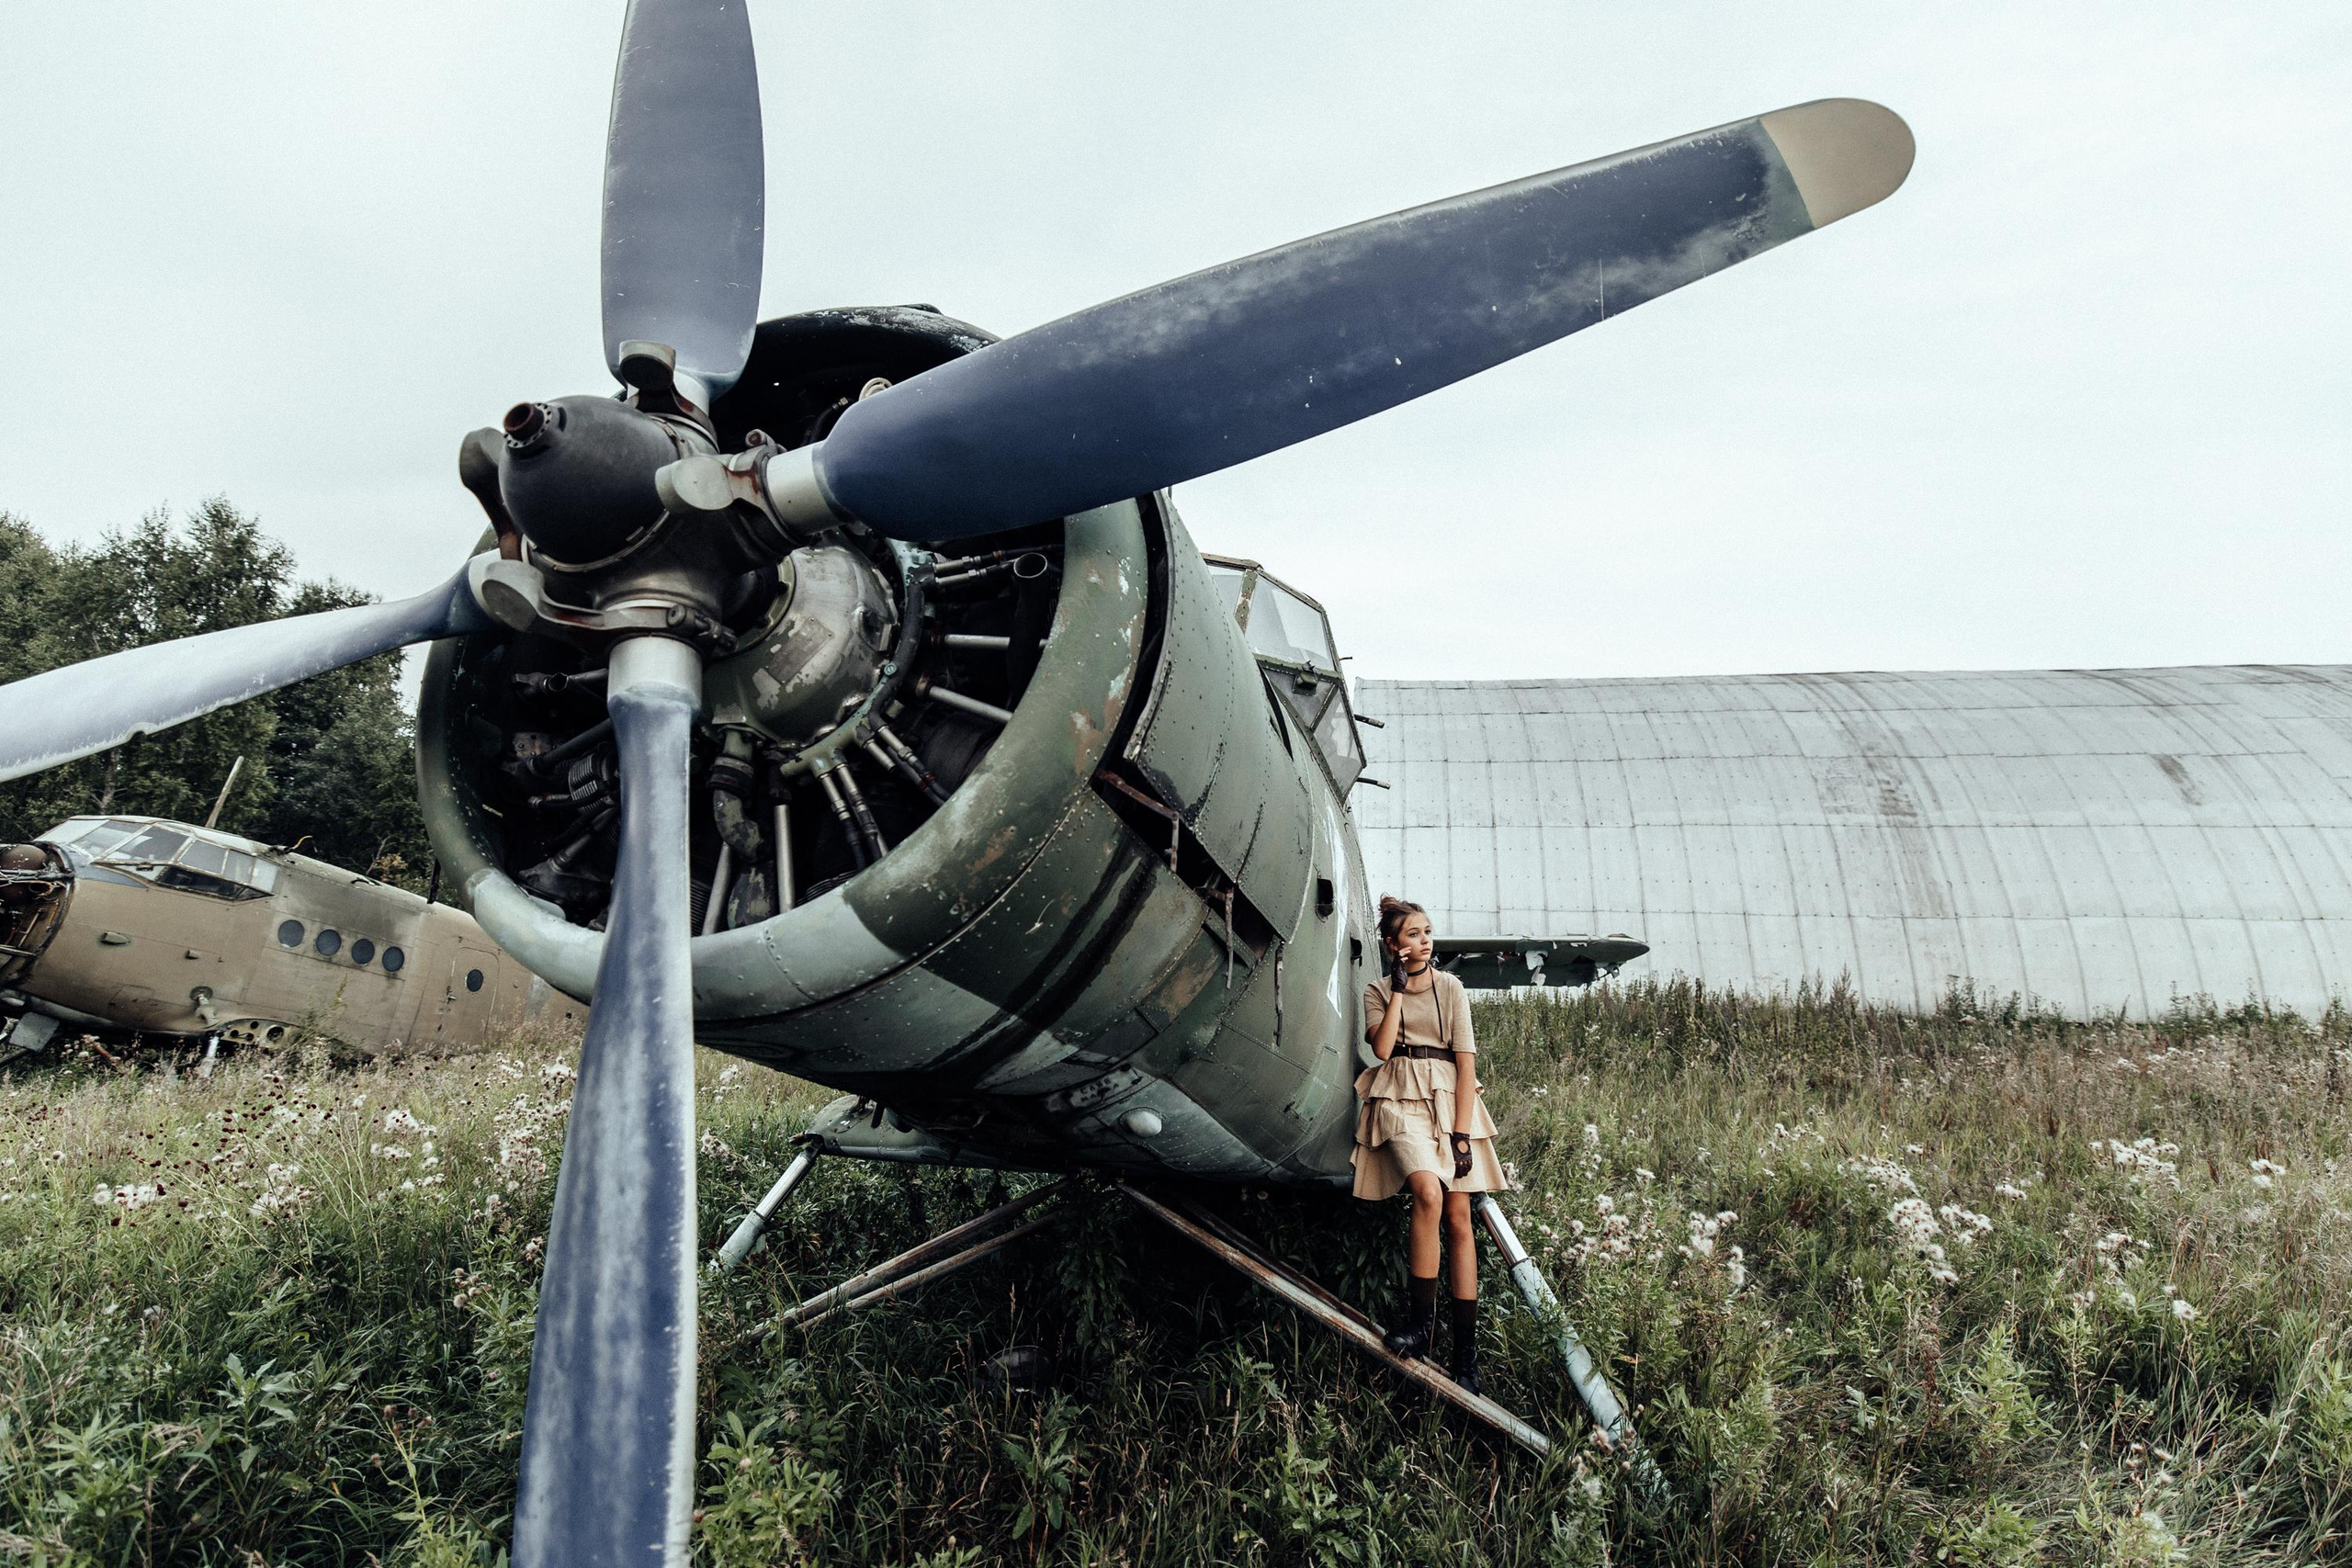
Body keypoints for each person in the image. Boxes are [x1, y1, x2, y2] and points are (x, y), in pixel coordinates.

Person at [1351, 895, 1509, 1393]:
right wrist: (1399, 989)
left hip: (1451, 1102)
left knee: (1460, 1220)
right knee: (1427, 1192)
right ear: (1392, 944)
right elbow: (1379, 1048)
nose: (1424, 940)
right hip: (1399, 1094)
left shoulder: (1452, 988)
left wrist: (1462, 1134)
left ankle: (1466, 1355)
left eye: (1427, 931)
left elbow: (1466, 1065)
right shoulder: (1377, 991)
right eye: (1413, 934)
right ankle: (1421, 1326)